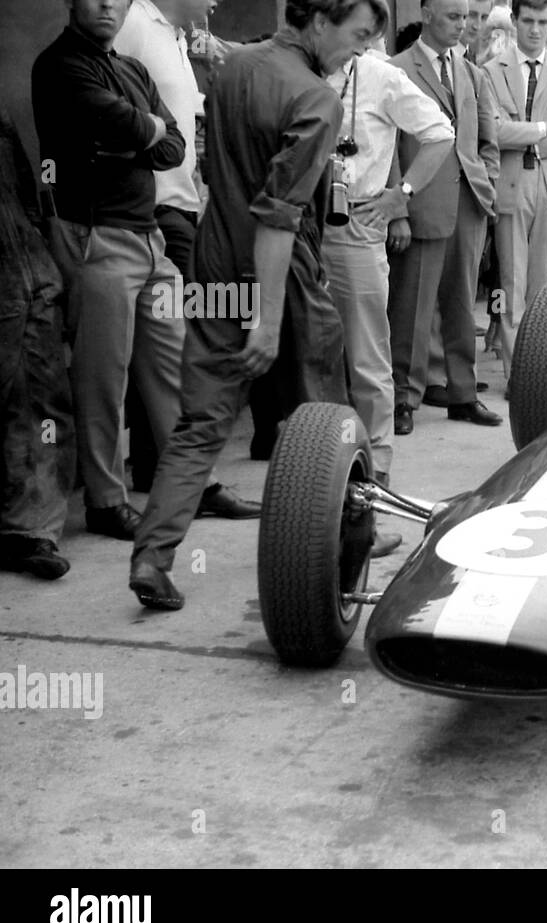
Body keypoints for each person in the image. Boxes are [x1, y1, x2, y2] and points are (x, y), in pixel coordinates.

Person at [129, 0, 390, 610]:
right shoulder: (315, 98)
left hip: (214, 259)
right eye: (356, 37)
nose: (360, 52)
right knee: (330, 417)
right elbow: (278, 217)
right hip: (284, 273)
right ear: (319, 21)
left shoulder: (234, 68)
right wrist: (267, 320)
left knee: (201, 421)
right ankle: (358, 534)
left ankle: (151, 557)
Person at [33, 0, 257, 547]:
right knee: (103, 379)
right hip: (96, 236)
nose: (107, 5)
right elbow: (125, 122)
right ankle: (107, 503)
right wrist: (143, 130)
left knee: (177, 368)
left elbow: (173, 145)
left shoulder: (130, 69)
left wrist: (139, 135)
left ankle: (193, 486)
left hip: (149, 236)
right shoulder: (61, 65)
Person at [322, 39, 455, 492]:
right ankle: (318, 468)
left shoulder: (380, 77)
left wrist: (402, 194)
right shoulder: (294, 69)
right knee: (311, 351)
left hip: (357, 223)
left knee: (365, 353)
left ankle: (374, 474)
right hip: (295, 224)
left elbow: (440, 133)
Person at [114, 0, 223, 493]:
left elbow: (181, 111)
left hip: (181, 205)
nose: (216, 3)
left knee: (170, 343)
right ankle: (171, 472)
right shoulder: (135, 23)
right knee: (173, 344)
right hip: (152, 210)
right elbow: (114, 101)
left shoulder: (177, 36)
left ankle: (162, 466)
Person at [388, 0, 502, 434]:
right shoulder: (397, 68)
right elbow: (390, 145)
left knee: (461, 305)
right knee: (411, 308)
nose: (464, 26)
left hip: (469, 204)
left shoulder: (472, 72)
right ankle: (405, 398)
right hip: (419, 205)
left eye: (469, 18)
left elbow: (486, 138)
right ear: (428, 12)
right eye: (455, 16)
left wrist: (486, 184)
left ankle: (462, 394)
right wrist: (398, 206)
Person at [480, 0, 547, 384]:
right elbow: (493, 131)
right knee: (509, 285)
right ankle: (516, 375)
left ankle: (535, 368)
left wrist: (524, 134)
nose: (536, 30)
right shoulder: (490, 72)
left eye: (543, 21)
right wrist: (544, 129)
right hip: (510, 184)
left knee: (542, 285)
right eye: (528, 21)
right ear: (514, 21)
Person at [0, 108, 74, 580]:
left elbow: (28, 193)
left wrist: (44, 258)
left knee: (44, 406)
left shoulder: (3, 121)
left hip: (29, 272)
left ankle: (31, 530)